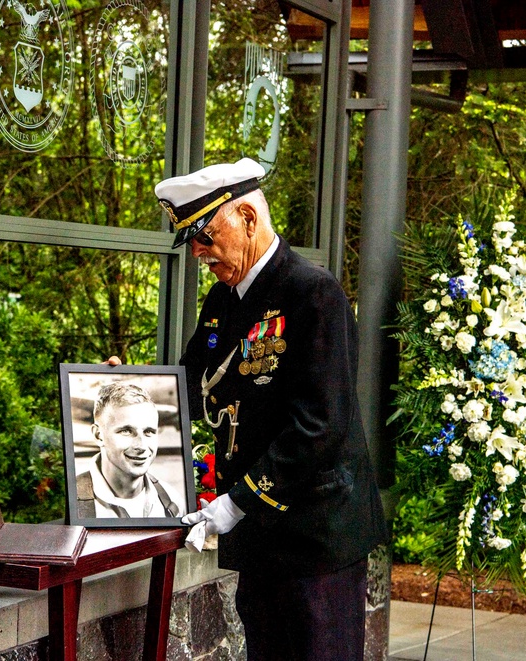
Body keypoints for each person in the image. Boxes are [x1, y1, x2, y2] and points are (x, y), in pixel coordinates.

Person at [156, 158, 389, 661]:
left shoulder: (313, 292)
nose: (198, 251)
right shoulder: (223, 300)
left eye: (204, 234)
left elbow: (319, 426)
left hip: (314, 538)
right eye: (190, 240)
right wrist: (123, 385)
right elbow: (191, 387)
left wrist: (234, 502)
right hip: (261, 537)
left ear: (246, 218)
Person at [76, 382, 185, 519]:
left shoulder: (173, 501)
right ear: (98, 435)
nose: (141, 446)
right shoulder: (71, 500)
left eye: (149, 431)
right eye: (126, 431)